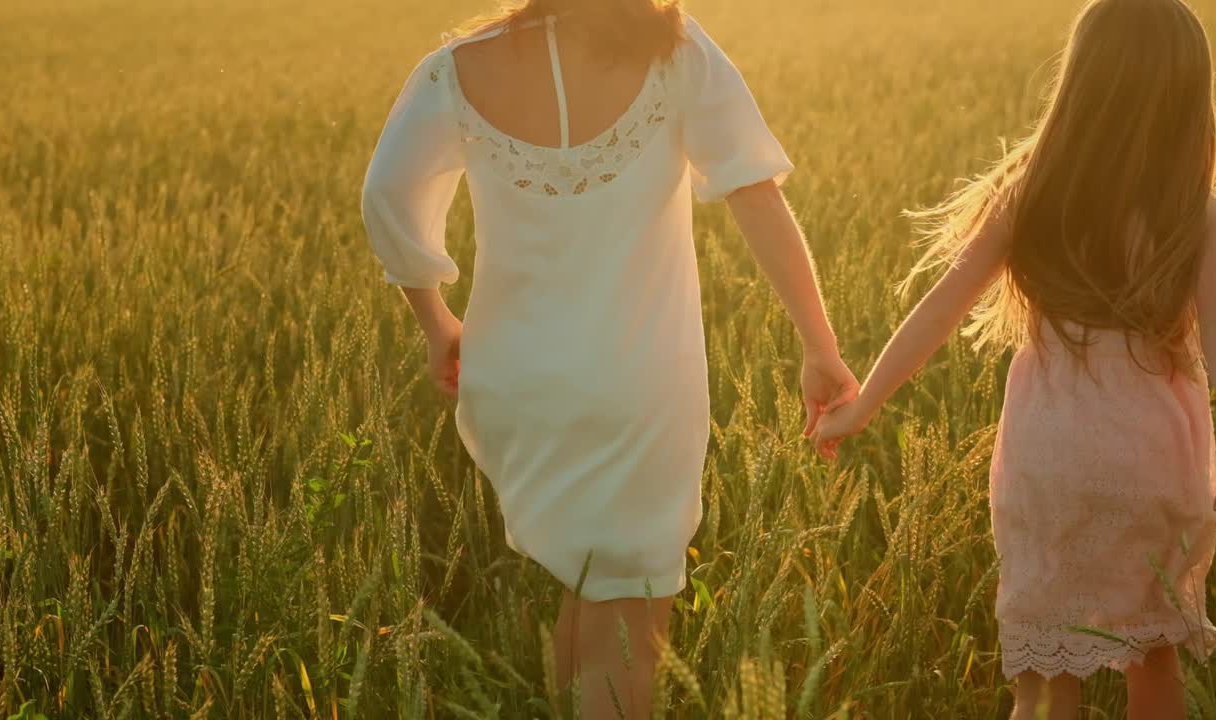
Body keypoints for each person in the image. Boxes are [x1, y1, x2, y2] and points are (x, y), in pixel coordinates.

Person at [361, 1, 857, 716]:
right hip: (637, 383)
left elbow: (386, 194)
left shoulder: (457, 66)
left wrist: (436, 323)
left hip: (516, 379)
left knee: (586, 590)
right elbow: (753, 190)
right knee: (627, 624)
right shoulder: (672, 51)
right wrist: (820, 346)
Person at [811, 1, 1216, 717]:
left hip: (1049, 463)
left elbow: (939, 308)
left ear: (1080, 86)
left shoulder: (1031, 194)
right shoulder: (1200, 214)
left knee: (1043, 676)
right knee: (1155, 662)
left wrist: (862, 403)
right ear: (1190, 99)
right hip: (1157, 465)